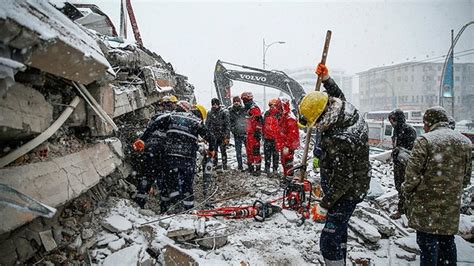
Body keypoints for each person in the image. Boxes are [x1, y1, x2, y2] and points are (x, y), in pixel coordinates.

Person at [299, 63, 370, 265]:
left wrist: (323, 205)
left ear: (322, 116)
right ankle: (342, 258)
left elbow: (342, 181)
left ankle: (336, 261)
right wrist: (328, 79)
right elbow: (337, 96)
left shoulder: (340, 140)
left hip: (347, 192)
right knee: (340, 231)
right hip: (356, 182)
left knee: (329, 238)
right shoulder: (344, 112)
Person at [402, 106, 471, 266]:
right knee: (447, 245)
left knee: (428, 247)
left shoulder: (425, 140)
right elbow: (466, 179)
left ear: (429, 122)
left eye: (424, 123)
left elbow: (411, 176)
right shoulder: (465, 142)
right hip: (450, 207)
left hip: (426, 207)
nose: (424, 127)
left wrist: (407, 191)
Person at [134, 100, 214, 212]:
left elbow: (155, 127)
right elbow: (205, 138)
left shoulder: (165, 117)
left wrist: (142, 140)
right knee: (171, 183)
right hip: (167, 154)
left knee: (150, 178)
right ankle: (172, 207)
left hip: (153, 151)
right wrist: (209, 150)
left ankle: (140, 204)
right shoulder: (189, 120)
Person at [132, 95, 177, 208]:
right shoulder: (172, 117)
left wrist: (143, 141)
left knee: (147, 176)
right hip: (163, 150)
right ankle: (164, 206)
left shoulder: (155, 117)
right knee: (164, 178)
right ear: (172, 104)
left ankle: (140, 203)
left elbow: (148, 131)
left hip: (150, 149)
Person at [388, 108, 417, 219]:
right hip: (398, 163)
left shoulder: (408, 130)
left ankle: (404, 210)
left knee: (404, 187)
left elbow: (410, 150)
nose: (391, 122)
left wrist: (399, 151)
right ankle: (404, 208)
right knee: (399, 186)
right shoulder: (396, 129)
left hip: (405, 164)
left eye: (393, 119)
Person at [241, 92, 263, 176]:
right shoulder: (246, 109)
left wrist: (257, 133)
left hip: (254, 134)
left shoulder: (254, 109)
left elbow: (259, 121)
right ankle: (250, 168)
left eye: (245, 100)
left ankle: (257, 169)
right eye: (243, 100)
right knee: (249, 152)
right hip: (248, 134)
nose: (244, 102)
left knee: (255, 152)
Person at [206, 98, 230, 170]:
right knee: (214, 151)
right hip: (213, 136)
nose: (215, 106)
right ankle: (214, 164)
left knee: (223, 151)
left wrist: (227, 136)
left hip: (222, 135)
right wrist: (207, 136)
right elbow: (207, 124)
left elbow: (227, 125)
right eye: (213, 104)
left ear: (219, 104)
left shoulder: (224, 112)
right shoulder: (210, 113)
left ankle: (224, 165)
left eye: (216, 104)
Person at [279, 98, 300, 178]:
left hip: (288, 145)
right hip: (285, 144)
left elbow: (292, 135)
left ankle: (289, 179)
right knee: (285, 162)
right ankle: (286, 176)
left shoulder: (289, 118)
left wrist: (287, 145)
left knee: (288, 162)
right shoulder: (285, 117)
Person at [263, 98, 282, 176]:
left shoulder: (279, 114)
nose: (272, 107)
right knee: (267, 155)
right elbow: (264, 125)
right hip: (267, 138)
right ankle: (267, 169)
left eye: (273, 105)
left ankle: (275, 169)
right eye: (271, 105)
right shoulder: (267, 113)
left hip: (275, 139)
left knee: (275, 155)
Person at [228, 96, 247, 171]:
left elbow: (247, 120)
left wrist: (246, 128)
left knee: (248, 150)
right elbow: (229, 122)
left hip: (245, 133)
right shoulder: (231, 111)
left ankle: (249, 164)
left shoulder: (244, 110)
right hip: (237, 134)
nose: (236, 102)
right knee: (238, 151)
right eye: (235, 101)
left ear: (240, 102)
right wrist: (233, 129)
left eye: (237, 101)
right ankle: (240, 166)